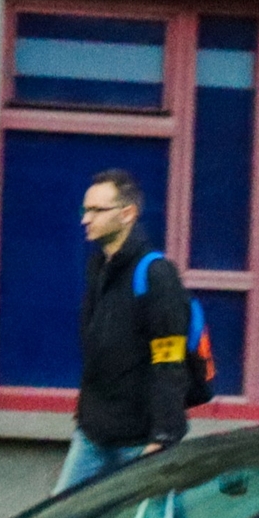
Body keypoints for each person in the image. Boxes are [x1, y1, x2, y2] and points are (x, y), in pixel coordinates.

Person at [55, 169, 190, 493]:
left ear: (127, 214)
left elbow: (169, 361)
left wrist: (163, 436)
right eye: (84, 210)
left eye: (96, 211)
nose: (85, 220)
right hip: (93, 434)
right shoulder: (98, 268)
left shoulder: (156, 275)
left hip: (140, 441)